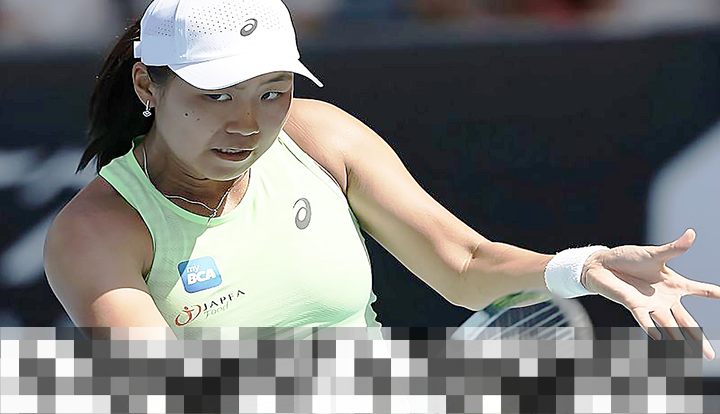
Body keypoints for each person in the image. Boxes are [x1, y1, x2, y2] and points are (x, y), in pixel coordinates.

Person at [43, 0, 719, 359]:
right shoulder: (96, 234)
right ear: (148, 86)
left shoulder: (320, 136)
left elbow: (464, 263)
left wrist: (582, 266)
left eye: (272, 92)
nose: (248, 123)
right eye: (217, 95)